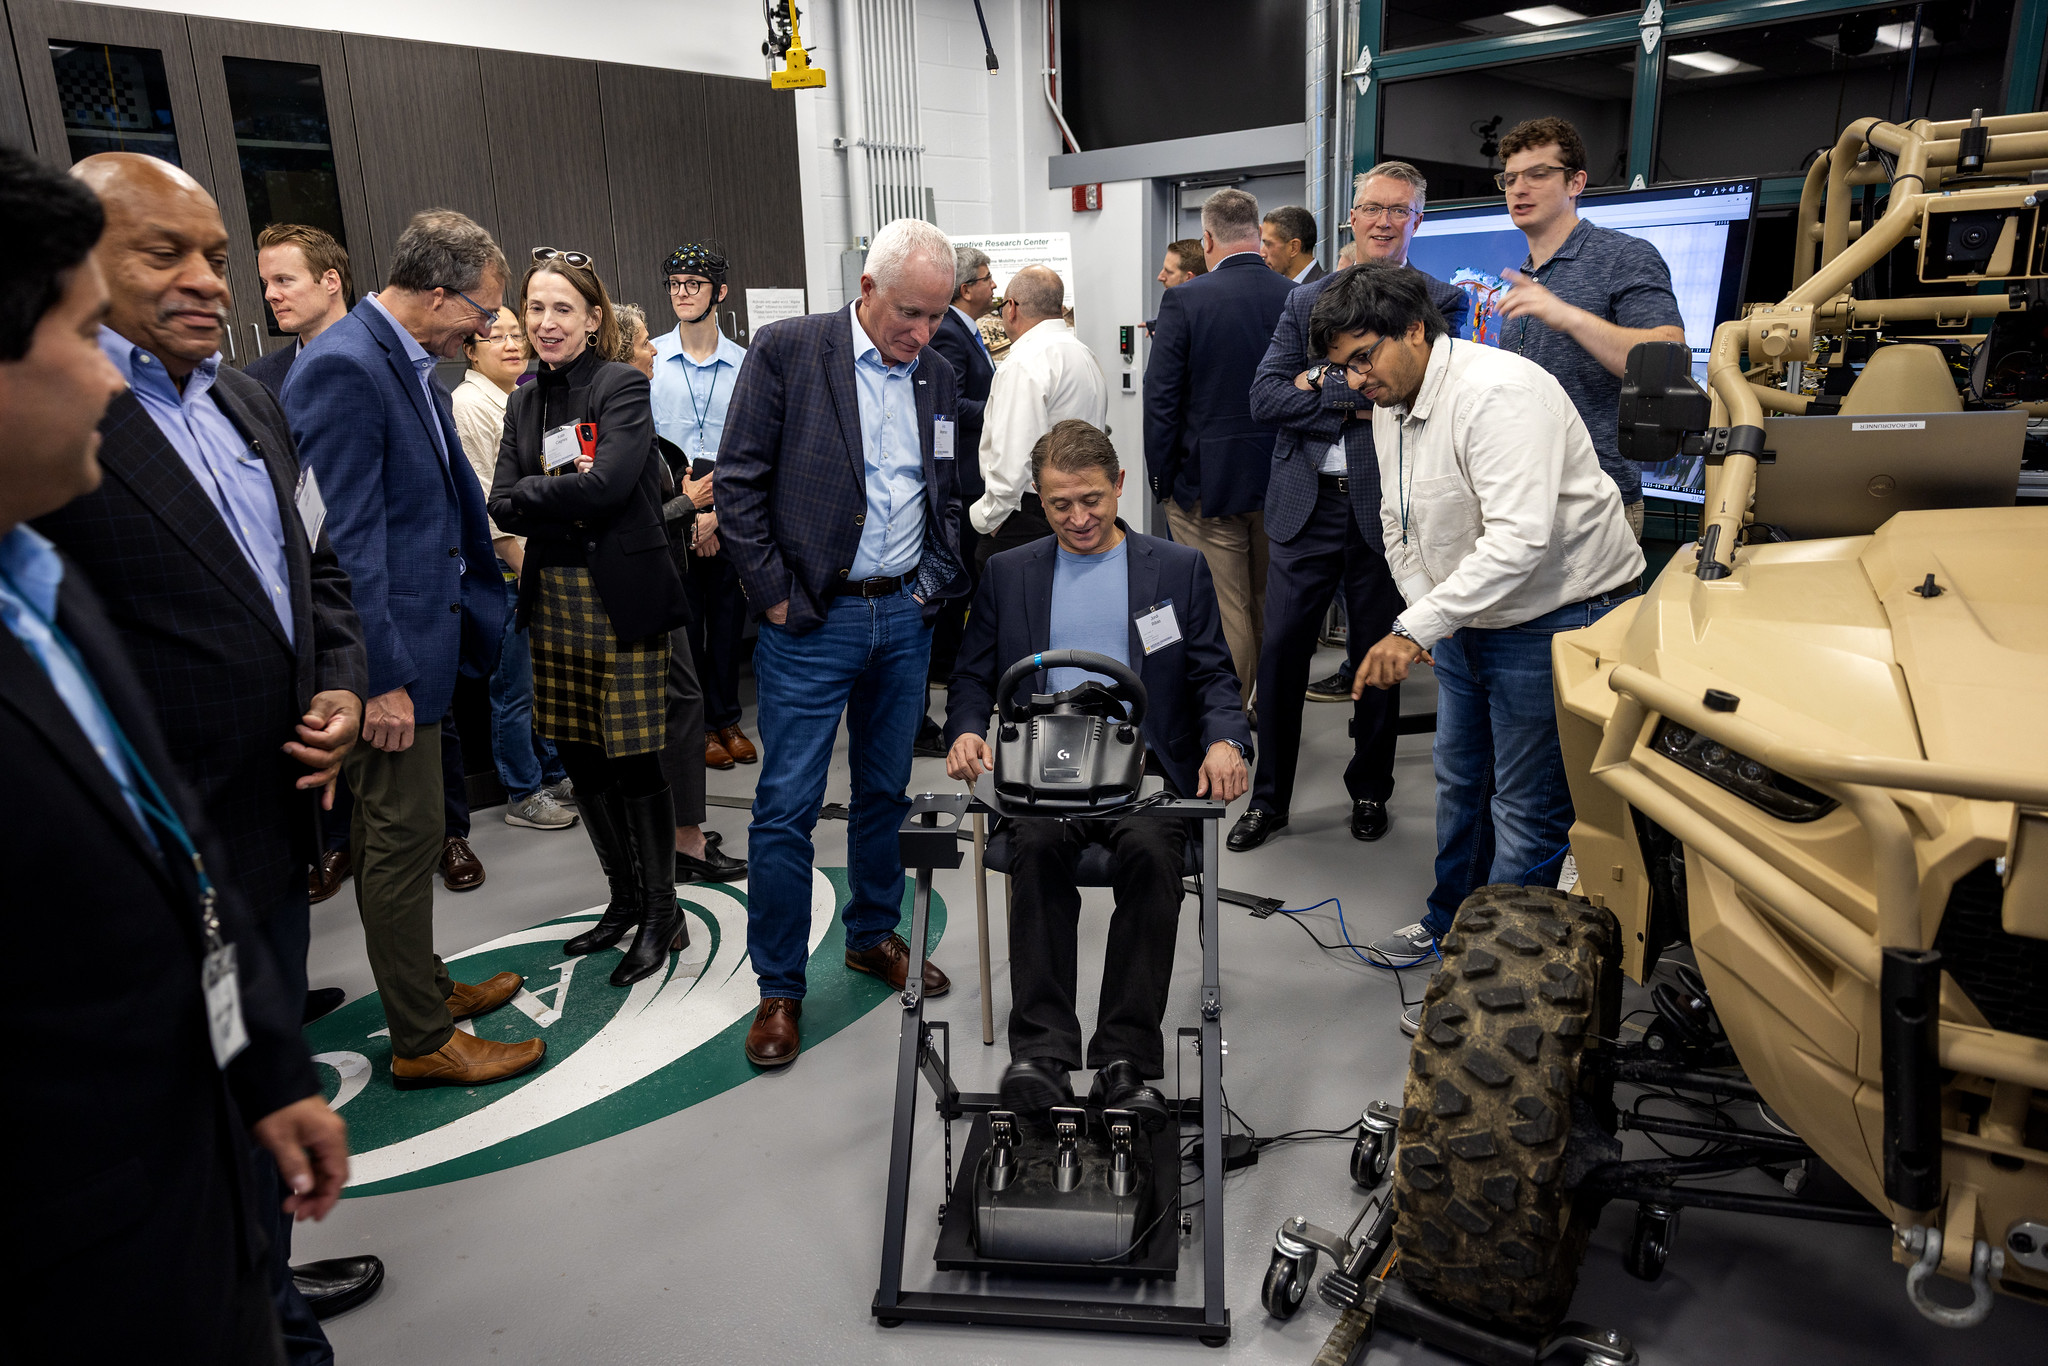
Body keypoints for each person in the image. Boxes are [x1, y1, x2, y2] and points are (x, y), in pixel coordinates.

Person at [2, 140, 348, 1366]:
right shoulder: (66, 464)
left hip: (261, 825)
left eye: (219, 253)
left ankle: (269, 1287)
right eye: (166, 252)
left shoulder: (250, 400)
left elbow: (318, 567)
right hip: (85, 1203)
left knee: (247, 1151)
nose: (209, 279)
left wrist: (343, 686)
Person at [1310, 263, 1643, 1032]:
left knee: (1525, 806)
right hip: (1469, 616)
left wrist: (1414, 627)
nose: (1356, 380)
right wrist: (1426, 614)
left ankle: (1495, 981)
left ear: (1416, 329)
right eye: (1341, 367)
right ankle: (1448, 925)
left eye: (1365, 357)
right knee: (1461, 781)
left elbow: (1520, 540)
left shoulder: (1499, 395)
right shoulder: (1391, 400)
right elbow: (1398, 521)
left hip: (1560, 613)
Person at [283, 208, 540, 1090]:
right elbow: (339, 544)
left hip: (429, 641)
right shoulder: (345, 369)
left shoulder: (401, 358)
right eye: (481, 310)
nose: (487, 326)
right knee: (398, 840)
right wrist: (378, 678)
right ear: (438, 292)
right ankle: (422, 1040)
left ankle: (425, 985)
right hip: (387, 664)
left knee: (416, 828)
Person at [716, 217, 971, 1068]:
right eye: (908, 313)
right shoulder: (791, 351)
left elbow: (944, 489)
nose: (921, 333)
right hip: (813, 621)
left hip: (903, 618)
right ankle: (780, 987)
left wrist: (936, 583)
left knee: (885, 793)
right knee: (785, 807)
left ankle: (871, 934)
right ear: (866, 290)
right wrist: (775, 599)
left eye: (936, 316)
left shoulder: (934, 373)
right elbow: (740, 483)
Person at [944, 420, 1250, 1123]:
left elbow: (1212, 678)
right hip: (1041, 772)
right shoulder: (1008, 574)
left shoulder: (1175, 569)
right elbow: (970, 675)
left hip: (1144, 772)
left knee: (1150, 856)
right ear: (1038, 501)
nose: (1078, 519)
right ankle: (1043, 1057)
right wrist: (965, 729)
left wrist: (1227, 742)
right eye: (1059, 505)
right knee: (1039, 851)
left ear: (1118, 485)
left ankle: (1125, 1061)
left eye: (1091, 499)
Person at [1233, 161, 1467, 853]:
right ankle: (1268, 798)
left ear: (1416, 221)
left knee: (1377, 659)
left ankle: (1370, 791)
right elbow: (1265, 399)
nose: (1384, 220)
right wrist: (1357, 391)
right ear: (1353, 216)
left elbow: (1428, 400)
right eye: (1372, 208)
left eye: (1399, 210)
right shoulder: (1306, 303)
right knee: (1280, 657)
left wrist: (1323, 380)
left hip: (1385, 510)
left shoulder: (1439, 303)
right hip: (1305, 505)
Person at [487, 251, 694, 986]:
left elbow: (606, 487)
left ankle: (663, 911)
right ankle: (625, 899)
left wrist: (537, 494)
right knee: (579, 754)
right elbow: (497, 499)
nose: (545, 323)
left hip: (621, 598)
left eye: (562, 309)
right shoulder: (522, 401)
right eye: (534, 309)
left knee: (633, 757)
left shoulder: (620, 385)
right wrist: (552, 490)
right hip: (554, 598)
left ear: (593, 317)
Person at [1492, 116, 1685, 540]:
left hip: (1596, 506)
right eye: (1509, 178)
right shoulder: (1527, 276)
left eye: (1538, 174)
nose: (1519, 188)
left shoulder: (1624, 256)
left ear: (1575, 183)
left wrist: (1569, 316)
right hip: (1523, 502)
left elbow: (1666, 356)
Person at [1143, 186, 1294, 706]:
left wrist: (1162, 483)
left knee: (1225, 610)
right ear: (1257, 234)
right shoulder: (1295, 297)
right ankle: (1264, 712)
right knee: (1266, 605)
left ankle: (1226, 727)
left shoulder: (1184, 300)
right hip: (1282, 481)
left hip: (1205, 486)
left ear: (1207, 238)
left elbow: (1161, 400)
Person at [619, 299, 748, 887]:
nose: (654, 351)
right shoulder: (622, 417)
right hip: (648, 578)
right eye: (645, 343)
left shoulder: (625, 410)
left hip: (677, 549)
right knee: (674, 705)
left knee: (686, 694)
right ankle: (680, 847)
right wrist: (688, 507)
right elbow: (624, 511)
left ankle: (674, 837)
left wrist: (704, 514)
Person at [453, 304, 577, 832]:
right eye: (495, 336)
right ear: (471, 349)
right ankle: (523, 792)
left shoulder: (522, 396)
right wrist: (524, 565)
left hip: (541, 558)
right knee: (514, 688)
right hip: (510, 568)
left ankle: (552, 773)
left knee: (545, 681)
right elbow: (486, 500)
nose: (510, 344)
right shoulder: (470, 403)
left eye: (515, 335)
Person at [648, 243, 757, 773]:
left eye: (693, 284)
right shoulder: (650, 358)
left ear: (720, 292)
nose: (682, 294)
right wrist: (689, 515)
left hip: (731, 506)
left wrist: (718, 514)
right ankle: (696, 728)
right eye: (674, 285)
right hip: (671, 506)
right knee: (686, 625)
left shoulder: (746, 362)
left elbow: (754, 445)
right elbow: (642, 447)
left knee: (729, 620)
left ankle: (727, 717)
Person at [969, 264, 1107, 567]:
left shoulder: (1023, 362)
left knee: (1012, 611)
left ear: (1012, 308)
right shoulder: (1083, 354)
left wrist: (989, 521)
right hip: (1079, 510)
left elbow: (1013, 460)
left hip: (1026, 518)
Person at [917, 244, 998, 754]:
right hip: (962, 479)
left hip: (972, 472)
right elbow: (949, 404)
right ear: (966, 288)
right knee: (953, 587)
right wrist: (1003, 405)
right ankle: (944, 669)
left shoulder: (971, 331)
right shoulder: (948, 331)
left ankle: (947, 666)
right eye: (988, 279)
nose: (996, 287)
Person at [245, 222, 351, 398]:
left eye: (283, 280)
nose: (269, 295)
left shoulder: (388, 356)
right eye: (265, 283)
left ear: (330, 282)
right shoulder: (257, 379)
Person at [1261, 204, 1323, 283]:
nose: (1262, 253)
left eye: (1268, 244)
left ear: (1294, 248)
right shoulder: (1274, 287)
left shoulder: (1328, 292)